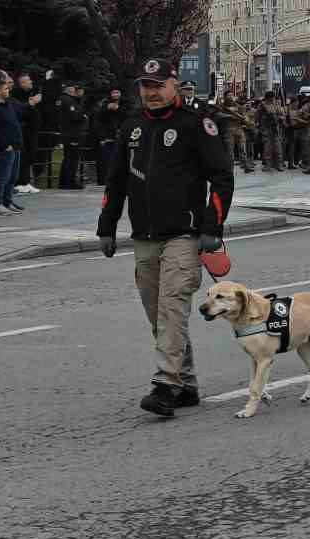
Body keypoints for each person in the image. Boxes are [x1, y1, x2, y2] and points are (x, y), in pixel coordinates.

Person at [97, 57, 235, 419]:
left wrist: (211, 228)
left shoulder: (196, 125)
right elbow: (116, 181)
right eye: (145, 86)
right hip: (144, 235)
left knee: (173, 305)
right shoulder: (132, 128)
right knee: (158, 315)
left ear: (174, 83)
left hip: (184, 236)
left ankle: (165, 385)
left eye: (158, 85)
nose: (152, 92)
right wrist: (106, 226)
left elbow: (221, 177)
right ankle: (186, 383)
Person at [0, 72, 26, 215]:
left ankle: (7, 201)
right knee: (3, 177)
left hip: (15, 145)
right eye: (6, 88)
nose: (8, 90)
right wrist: (4, 144)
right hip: (5, 148)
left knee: (12, 177)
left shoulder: (7, 104)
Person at [12, 72, 44, 192]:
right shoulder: (16, 95)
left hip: (33, 129)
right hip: (24, 129)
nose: (31, 82)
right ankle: (19, 182)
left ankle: (25, 181)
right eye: (28, 80)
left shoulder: (32, 93)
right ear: (21, 83)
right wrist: (31, 103)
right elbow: (20, 111)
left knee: (30, 155)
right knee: (23, 156)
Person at [57, 83, 90, 189]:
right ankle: (69, 181)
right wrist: (83, 116)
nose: (75, 90)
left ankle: (64, 181)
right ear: (67, 89)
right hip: (72, 134)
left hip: (69, 133)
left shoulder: (65, 99)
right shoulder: (68, 100)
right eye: (73, 88)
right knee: (72, 159)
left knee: (68, 158)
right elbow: (75, 115)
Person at [95, 87, 125, 185]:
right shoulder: (104, 103)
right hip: (107, 136)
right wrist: (106, 109)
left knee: (120, 159)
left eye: (117, 92)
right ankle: (104, 180)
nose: (115, 94)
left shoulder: (125, 102)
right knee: (106, 160)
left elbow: (129, 116)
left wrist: (119, 109)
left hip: (121, 135)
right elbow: (98, 117)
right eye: (113, 92)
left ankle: (118, 179)